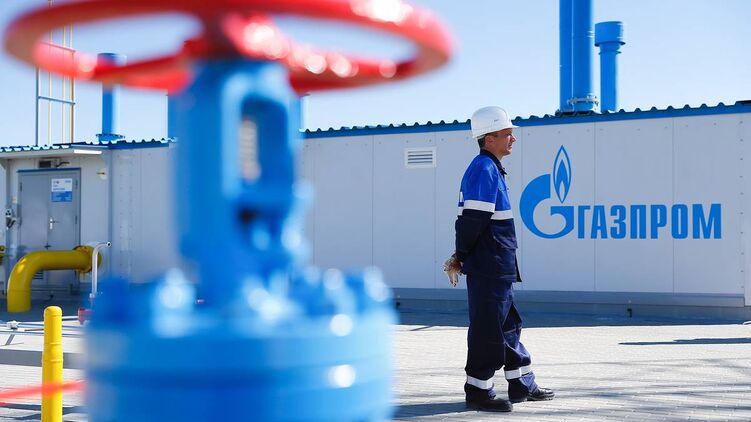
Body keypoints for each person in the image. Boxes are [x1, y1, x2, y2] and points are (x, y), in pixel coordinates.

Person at [448, 106, 555, 412]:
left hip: (498, 264)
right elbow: (473, 220)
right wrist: (459, 256)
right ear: (489, 138)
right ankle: (478, 391)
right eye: (507, 133)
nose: (513, 138)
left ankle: (522, 383)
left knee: (508, 325)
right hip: (489, 265)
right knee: (487, 330)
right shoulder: (484, 169)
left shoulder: (490, 168)